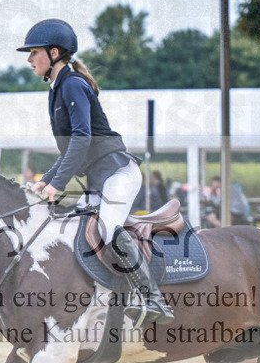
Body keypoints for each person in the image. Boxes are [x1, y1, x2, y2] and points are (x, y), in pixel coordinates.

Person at [18, 19, 173, 325]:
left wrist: (57, 183)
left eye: (33, 52)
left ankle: (153, 299)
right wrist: (43, 182)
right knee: (70, 230)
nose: (29, 59)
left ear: (54, 52)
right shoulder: (57, 89)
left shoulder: (73, 83)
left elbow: (82, 139)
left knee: (108, 229)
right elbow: (68, 151)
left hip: (118, 174)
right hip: (98, 181)